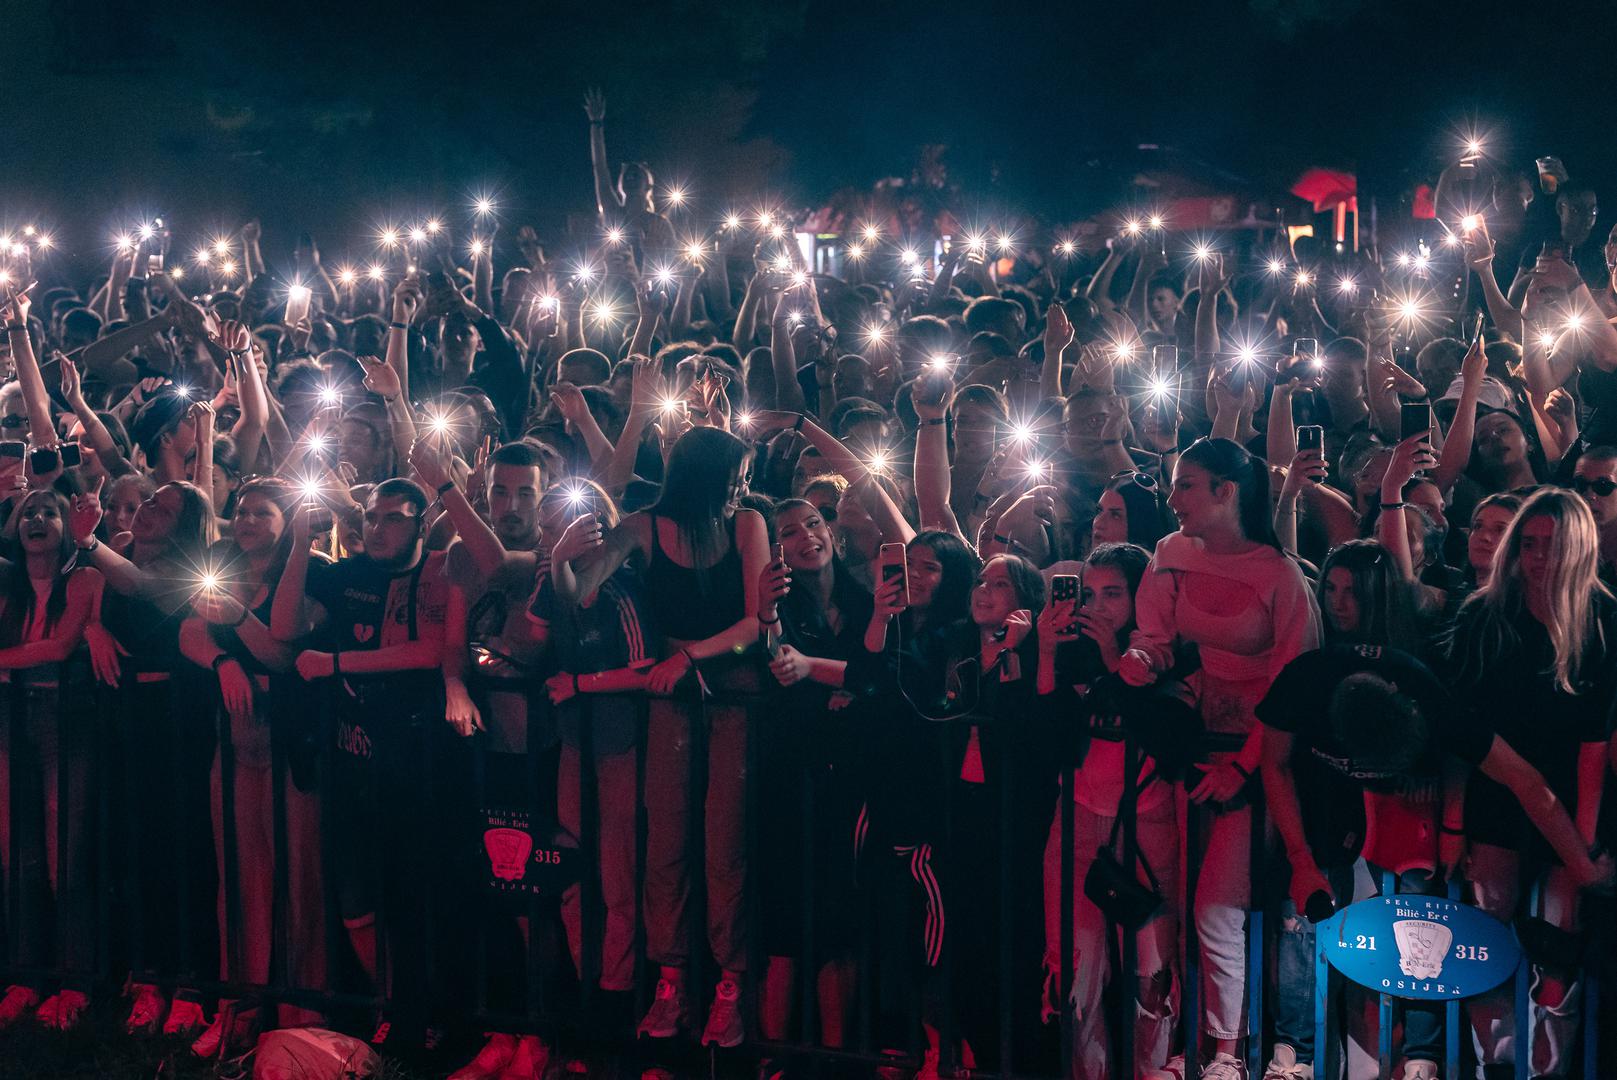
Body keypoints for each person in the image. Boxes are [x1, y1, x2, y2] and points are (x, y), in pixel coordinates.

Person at [551, 426, 769, 1049]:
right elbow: (580, 595)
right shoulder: (645, 526)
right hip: (672, 704)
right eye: (736, 477)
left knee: (724, 847)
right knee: (665, 843)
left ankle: (730, 987)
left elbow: (755, 624)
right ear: (706, 477)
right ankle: (671, 980)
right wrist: (563, 559)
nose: (744, 488)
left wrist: (691, 656)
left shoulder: (746, 524)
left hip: (731, 698)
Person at [1121, 438, 1323, 1080]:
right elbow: (1154, 636)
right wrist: (1141, 662)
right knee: (1179, 901)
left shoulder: (1279, 573)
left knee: (1216, 906)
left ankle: (1227, 1053)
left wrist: (1244, 768)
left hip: (1265, 762)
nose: (1172, 499)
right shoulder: (1170, 553)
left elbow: (1295, 686)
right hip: (1193, 750)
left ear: (1225, 492)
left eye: (1186, 485)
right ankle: (1192, 1043)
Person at [270, 477, 457, 1050]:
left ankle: (421, 1017)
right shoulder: (348, 571)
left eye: (394, 518)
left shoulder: (434, 571)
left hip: (413, 762)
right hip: (351, 763)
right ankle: (385, 1003)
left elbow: (429, 650)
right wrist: (302, 542)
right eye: (372, 518)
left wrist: (334, 663)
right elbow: (282, 627)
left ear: (420, 524)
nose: (378, 529)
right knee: (355, 895)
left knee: (412, 896)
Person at [1443, 488, 1615, 1077]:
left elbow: (1594, 751)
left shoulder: (1605, 622)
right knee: (1485, 937)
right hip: (1499, 789)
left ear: (1582, 549)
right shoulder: (1483, 618)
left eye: (1555, 546)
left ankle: (1546, 1069)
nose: (1540, 559)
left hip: (1573, 796)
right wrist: (1452, 827)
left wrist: (1582, 849)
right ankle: (1496, 1064)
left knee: (1559, 941)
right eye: (1531, 544)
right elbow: (1468, 749)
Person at [176, 478, 326, 1054]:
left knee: (298, 880)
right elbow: (190, 630)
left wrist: (237, 620)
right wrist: (221, 662)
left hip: (291, 750)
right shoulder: (222, 573)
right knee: (240, 881)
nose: (247, 519)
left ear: (289, 523)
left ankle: (300, 1015)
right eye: (241, 510)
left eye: (264, 512)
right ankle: (243, 1007)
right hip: (235, 748)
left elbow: (283, 651)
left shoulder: (310, 575)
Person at [70, 477, 218, 1034]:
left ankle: (189, 978)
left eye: (165, 506)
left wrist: (90, 545)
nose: (150, 508)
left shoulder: (189, 568)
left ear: (185, 524)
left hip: (174, 719)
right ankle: (147, 971)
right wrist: (90, 627)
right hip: (122, 715)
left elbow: (141, 588)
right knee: (133, 845)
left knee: (181, 847)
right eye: (151, 500)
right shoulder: (121, 549)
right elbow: (101, 598)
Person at [1037, 542, 1185, 1079]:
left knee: (1153, 970)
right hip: (1075, 818)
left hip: (1148, 825)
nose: (1098, 607)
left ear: (1139, 596)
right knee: (1076, 972)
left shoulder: (1165, 654)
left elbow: (1166, 741)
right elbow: (1047, 740)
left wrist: (1113, 664)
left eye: (1113, 594)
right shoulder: (1069, 648)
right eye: (1090, 594)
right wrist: (1049, 652)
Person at [753, 498, 873, 1050]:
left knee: (841, 925)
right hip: (790, 776)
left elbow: (880, 679)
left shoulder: (862, 599)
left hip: (850, 779)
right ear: (778, 550)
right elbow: (776, 668)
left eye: (815, 524)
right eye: (789, 533)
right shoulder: (780, 608)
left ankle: (833, 1054)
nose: (807, 537)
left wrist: (834, 680)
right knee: (784, 924)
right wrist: (766, 614)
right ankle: (775, 1056)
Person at [0, 490, 104, 1032]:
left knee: (68, 852)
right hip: (12, 721)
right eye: (28, 512)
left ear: (67, 527)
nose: (37, 519)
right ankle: (25, 974)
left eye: (50, 511)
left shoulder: (84, 580)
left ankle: (75, 980)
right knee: (19, 852)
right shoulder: (7, 586)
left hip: (66, 719)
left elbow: (59, 648)